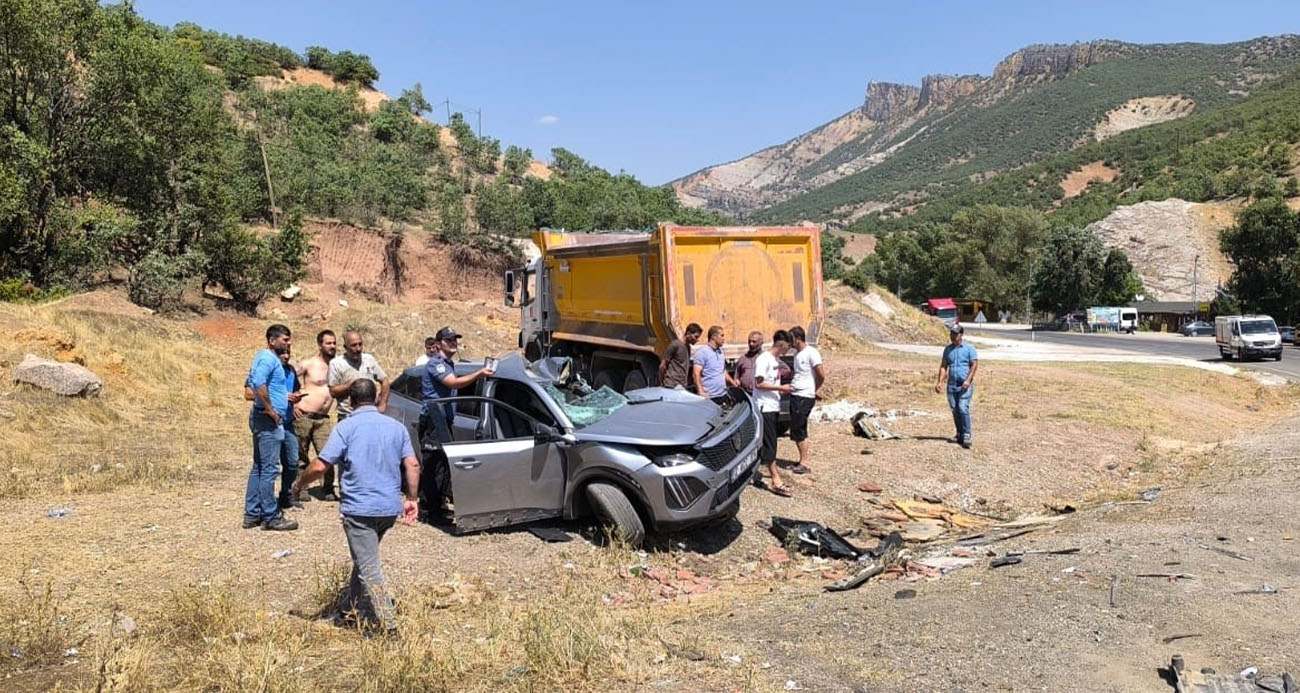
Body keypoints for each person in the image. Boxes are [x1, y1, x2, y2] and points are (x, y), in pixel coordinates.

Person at [291, 379, 419, 637]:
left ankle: (389, 627)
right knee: (364, 558)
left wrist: (298, 484)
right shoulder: (396, 427)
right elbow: (413, 465)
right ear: (374, 399)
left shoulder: (346, 427)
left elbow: (319, 466)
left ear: (350, 401)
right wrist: (412, 498)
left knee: (369, 566)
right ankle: (349, 612)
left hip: (360, 510)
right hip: (387, 508)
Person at [418, 326, 494, 514]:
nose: (453, 343)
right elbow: (452, 382)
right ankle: (429, 509)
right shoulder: (437, 364)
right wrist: (479, 374)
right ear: (438, 344)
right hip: (434, 420)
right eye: (448, 340)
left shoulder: (450, 364)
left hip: (444, 420)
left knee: (443, 463)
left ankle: (438, 505)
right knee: (433, 464)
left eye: (455, 340)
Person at [243, 324, 299, 531]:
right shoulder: (268, 358)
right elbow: (257, 383)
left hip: (263, 418)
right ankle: (270, 515)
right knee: (269, 469)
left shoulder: (264, 358)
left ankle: (252, 513)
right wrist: (271, 409)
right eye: (285, 340)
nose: (288, 343)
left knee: (259, 467)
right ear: (272, 340)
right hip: (268, 420)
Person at [325, 330, 390, 500]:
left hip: (370, 416)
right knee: (347, 457)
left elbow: (384, 380)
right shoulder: (336, 364)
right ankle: (347, 492)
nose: (358, 348)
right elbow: (332, 391)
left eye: (360, 344)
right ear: (345, 346)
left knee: (371, 454)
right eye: (353, 345)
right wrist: (350, 385)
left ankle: (370, 490)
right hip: (348, 416)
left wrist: (382, 404)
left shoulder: (369, 360)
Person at [246, 350, 304, 510]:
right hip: (270, 420)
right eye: (283, 352)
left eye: (289, 352)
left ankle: (286, 497)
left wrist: (296, 399)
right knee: (267, 467)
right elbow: (249, 393)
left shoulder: (291, 371)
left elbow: (296, 389)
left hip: (287, 422)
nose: (286, 356)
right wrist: (280, 399)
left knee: (292, 461)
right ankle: (266, 510)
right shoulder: (265, 366)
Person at [293, 330, 337, 499]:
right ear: (320, 345)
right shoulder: (309, 363)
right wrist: (292, 403)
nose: (332, 346)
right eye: (328, 343)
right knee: (301, 455)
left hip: (323, 418)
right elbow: (286, 377)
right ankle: (302, 488)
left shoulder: (337, 365)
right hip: (304, 415)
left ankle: (327, 488)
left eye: (334, 343)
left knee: (328, 453)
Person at [753, 330, 794, 497]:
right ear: (782, 344)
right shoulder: (764, 359)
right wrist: (780, 388)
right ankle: (776, 479)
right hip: (765, 407)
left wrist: (780, 392)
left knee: (765, 442)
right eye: (788, 346)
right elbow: (759, 383)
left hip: (772, 404)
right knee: (770, 443)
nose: (788, 350)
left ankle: (753, 474)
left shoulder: (775, 360)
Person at [787, 325, 824, 475]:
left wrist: (814, 389)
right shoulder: (797, 354)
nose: (789, 342)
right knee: (795, 428)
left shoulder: (811, 353)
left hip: (805, 395)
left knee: (800, 428)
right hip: (796, 394)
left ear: (797, 338)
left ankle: (805, 462)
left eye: (791, 338)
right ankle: (801, 459)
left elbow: (821, 374)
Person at [935, 323, 979, 449]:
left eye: (955, 333)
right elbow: (944, 366)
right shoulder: (948, 349)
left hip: (965, 384)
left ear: (961, 335)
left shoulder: (969, 349)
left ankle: (966, 435)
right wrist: (939, 382)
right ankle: (959, 433)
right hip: (952, 385)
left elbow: (974, 365)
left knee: (962, 408)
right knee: (955, 410)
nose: (952, 335)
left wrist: (968, 380)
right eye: (951, 333)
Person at [692, 325, 737, 405]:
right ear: (713, 337)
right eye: (721, 335)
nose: (724, 338)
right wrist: (700, 391)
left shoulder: (720, 352)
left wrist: (732, 382)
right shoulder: (702, 352)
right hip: (709, 397)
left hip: (722, 395)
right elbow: (696, 374)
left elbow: (722, 371)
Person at [659, 323, 701, 389]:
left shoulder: (688, 347)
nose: (697, 340)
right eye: (696, 337)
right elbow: (663, 366)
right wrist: (661, 382)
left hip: (682, 386)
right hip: (671, 385)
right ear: (688, 333)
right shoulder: (675, 345)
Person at [733, 331, 764, 396]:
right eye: (749, 341)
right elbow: (737, 375)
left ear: (761, 343)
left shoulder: (766, 358)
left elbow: (783, 370)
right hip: (745, 394)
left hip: (760, 394)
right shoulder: (743, 358)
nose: (751, 344)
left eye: (754, 341)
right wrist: (736, 380)